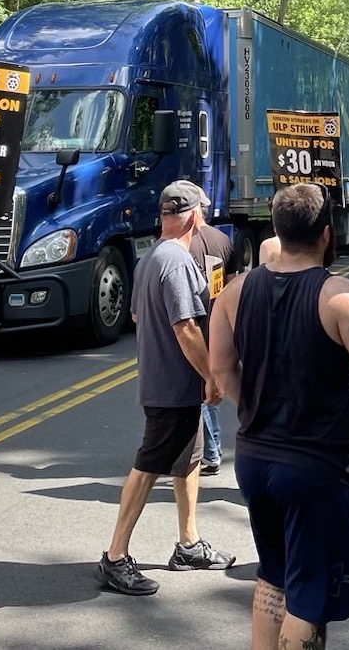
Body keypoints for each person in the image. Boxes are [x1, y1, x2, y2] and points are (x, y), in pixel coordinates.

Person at [209, 182, 349, 649]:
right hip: (316, 467)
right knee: (309, 595)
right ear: (326, 233)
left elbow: (221, 369)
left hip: (255, 459)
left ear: (276, 230)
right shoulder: (340, 297)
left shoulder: (236, 292)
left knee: (274, 573)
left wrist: (253, 412)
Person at [95, 181, 237, 596]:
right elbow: (186, 327)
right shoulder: (175, 260)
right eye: (203, 211)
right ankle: (115, 557)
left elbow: (140, 317)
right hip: (170, 387)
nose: (206, 217)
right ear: (193, 215)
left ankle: (188, 544)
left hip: (170, 383)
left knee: (188, 461)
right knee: (147, 468)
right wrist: (212, 374)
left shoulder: (150, 258)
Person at [181, 181, 242, 477]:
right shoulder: (222, 239)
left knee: (199, 389)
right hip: (217, 323)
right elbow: (232, 286)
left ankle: (210, 451)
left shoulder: (181, 244)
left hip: (193, 322)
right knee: (211, 388)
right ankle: (209, 448)